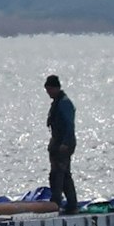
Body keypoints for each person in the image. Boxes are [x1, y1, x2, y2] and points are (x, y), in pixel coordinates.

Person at [44, 73, 78, 213]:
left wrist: (64, 143)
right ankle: (68, 203)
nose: (49, 93)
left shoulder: (64, 103)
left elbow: (69, 125)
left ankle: (59, 202)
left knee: (59, 174)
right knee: (61, 174)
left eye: (50, 90)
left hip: (64, 144)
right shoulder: (57, 102)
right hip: (57, 143)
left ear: (56, 88)